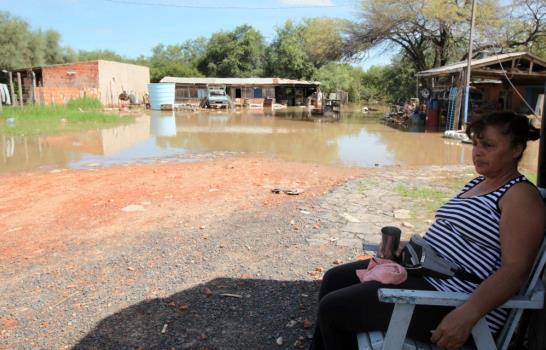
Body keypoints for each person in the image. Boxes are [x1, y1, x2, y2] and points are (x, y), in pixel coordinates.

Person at [309, 111, 545, 350]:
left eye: (488, 145)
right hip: (427, 275)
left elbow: (515, 271)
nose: (477, 152)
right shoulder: (479, 183)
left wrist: (467, 314)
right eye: (475, 144)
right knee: (334, 279)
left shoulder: (520, 197)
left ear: (516, 149)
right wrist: (405, 250)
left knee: (335, 309)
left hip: (453, 299)